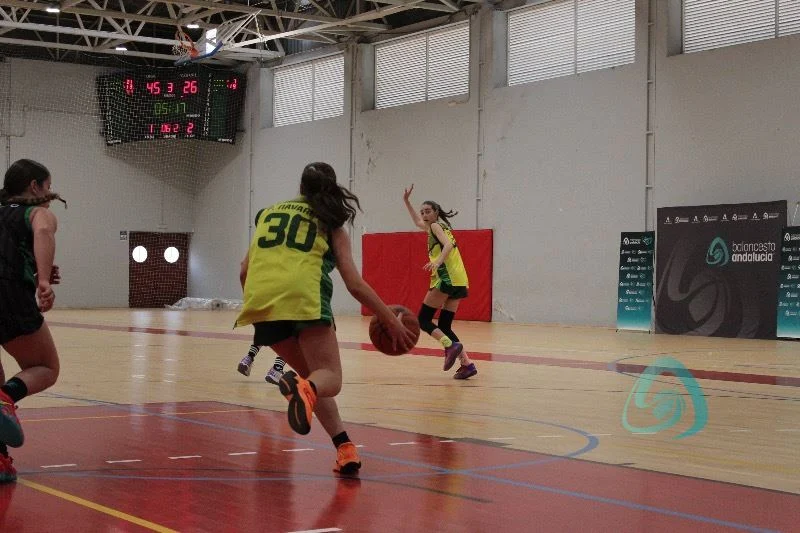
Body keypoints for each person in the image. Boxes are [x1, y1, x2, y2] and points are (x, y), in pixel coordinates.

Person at [235, 162, 416, 475]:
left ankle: (345, 448)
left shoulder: (267, 214)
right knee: (330, 378)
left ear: (300, 187)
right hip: (304, 298)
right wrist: (390, 320)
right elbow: (354, 284)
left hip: (260, 303)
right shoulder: (331, 225)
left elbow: (243, 270)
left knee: (312, 380)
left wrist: (260, 306)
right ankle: (304, 391)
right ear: (332, 189)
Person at [0, 159, 66, 482]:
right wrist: (42, 279)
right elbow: (42, 229)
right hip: (8, 295)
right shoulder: (36, 212)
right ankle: (7, 398)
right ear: (34, 186)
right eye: (48, 186)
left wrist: (34, 266)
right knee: (46, 367)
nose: (50, 193)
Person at [403, 184, 477, 380]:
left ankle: (449, 346)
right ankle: (467, 364)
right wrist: (406, 202)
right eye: (422, 212)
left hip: (447, 278)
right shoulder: (437, 227)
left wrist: (437, 262)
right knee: (444, 325)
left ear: (436, 213)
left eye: (428, 211)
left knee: (423, 320)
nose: (424, 215)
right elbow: (417, 222)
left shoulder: (436, 227)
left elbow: (448, 245)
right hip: (460, 280)